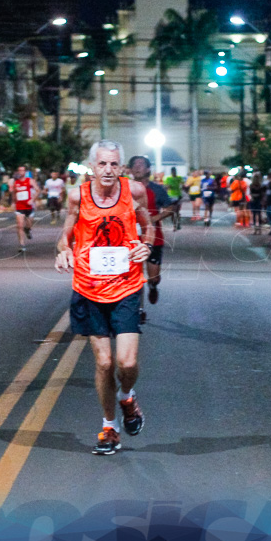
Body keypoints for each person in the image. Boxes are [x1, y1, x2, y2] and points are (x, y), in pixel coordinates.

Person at [55, 140, 153, 456]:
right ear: (92, 166)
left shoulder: (134, 191)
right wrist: (63, 251)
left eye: (114, 164)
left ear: (121, 167)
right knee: (104, 361)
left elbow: (148, 227)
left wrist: (145, 246)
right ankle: (109, 428)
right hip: (89, 288)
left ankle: (127, 396)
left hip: (126, 285)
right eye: (102, 164)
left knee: (127, 361)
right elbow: (64, 237)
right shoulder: (77, 196)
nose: (108, 170)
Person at [128, 155, 178, 310]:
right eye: (134, 165)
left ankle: (153, 286)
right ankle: (138, 309)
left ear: (148, 169)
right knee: (132, 278)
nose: (137, 167)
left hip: (153, 239)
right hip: (130, 238)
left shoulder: (157, 189)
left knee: (154, 277)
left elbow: (171, 208)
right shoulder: (123, 189)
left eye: (141, 164)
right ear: (130, 169)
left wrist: (154, 218)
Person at [11, 165, 39, 252]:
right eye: (19, 171)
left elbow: (38, 190)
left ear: (25, 172)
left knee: (28, 225)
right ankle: (22, 244)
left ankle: (28, 230)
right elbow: (14, 193)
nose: (21, 172)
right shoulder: (16, 183)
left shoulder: (29, 181)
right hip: (19, 207)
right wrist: (13, 203)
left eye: (22, 171)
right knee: (20, 226)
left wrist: (32, 200)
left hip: (29, 206)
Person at [163, 167, 183, 231]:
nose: (174, 172)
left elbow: (182, 185)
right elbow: (166, 186)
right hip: (170, 196)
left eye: (175, 171)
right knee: (172, 211)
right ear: (171, 172)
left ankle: (178, 223)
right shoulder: (168, 178)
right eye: (173, 171)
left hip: (178, 195)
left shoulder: (179, 178)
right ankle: (174, 225)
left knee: (177, 211)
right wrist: (167, 187)